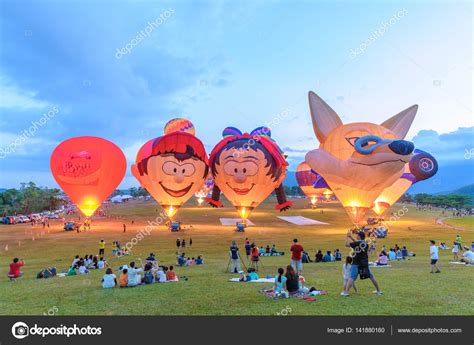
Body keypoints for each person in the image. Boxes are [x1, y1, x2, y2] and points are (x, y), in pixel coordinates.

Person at [342, 231, 382, 296]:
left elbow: (346, 244)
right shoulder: (365, 243)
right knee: (371, 276)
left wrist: (347, 236)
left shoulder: (357, 243)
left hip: (356, 263)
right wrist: (351, 237)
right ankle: (378, 291)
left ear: (359, 236)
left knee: (352, 277)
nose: (356, 236)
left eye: (357, 235)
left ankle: (346, 292)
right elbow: (357, 243)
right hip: (364, 263)